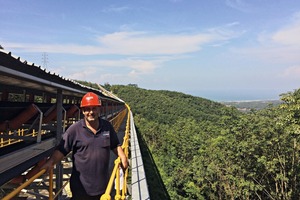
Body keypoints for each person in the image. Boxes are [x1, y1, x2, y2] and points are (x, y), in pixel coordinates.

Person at [42, 92, 128, 200]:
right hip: (80, 188)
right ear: (82, 111)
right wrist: (51, 161)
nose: (91, 112)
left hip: (103, 187)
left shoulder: (107, 126)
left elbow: (115, 144)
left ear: (99, 109)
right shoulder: (74, 129)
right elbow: (62, 149)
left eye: (94, 108)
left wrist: (123, 156)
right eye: (87, 109)